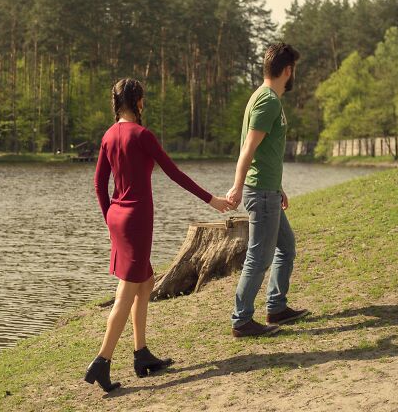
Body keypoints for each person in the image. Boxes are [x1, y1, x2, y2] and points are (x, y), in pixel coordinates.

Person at [85, 78, 233, 392]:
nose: (144, 104)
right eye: (143, 99)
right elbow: (174, 173)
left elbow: (99, 185)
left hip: (118, 218)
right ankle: (102, 361)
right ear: (138, 101)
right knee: (127, 291)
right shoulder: (142, 135)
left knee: (147, 281)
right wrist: (212, 200)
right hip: (137, 220)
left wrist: (110, 219)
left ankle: (141, 354)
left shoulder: (109, 135)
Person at [226, 43, 310, 338]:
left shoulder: (266, 97)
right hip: (260, 193)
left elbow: (265, 151)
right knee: (259, 258)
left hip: (268, 190)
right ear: (287, 70)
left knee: (286, 247)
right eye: (294, 70)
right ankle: (241, 321)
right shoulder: (268, 101)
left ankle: (276, 307)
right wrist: (238, 186)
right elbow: (248, 150)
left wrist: (279, 186)